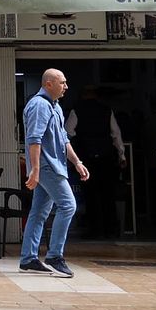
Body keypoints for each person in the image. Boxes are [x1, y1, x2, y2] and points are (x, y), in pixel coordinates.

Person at [20, 68, 88, 278]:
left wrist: (77, 162)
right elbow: (34, 139)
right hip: (48, 167)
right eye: (62, 82)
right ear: (48, 84)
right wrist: (36, 171)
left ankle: (29, 258)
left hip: (54, 166)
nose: (66, 86)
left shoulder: (55, 106)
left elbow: (63, 139)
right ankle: (54, 256)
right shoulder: (40, 105)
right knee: (68, 205)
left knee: (39, 212)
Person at [65, 85, 125, 239]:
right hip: (106, 157)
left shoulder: (77, 110)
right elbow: (116, 134)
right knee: (108, 194)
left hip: (87, 158)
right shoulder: (106, 110)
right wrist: (122, 155)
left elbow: (67, 133)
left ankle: (95, 230)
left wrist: (69, 157)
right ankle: (111, 229)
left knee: (91, 195)